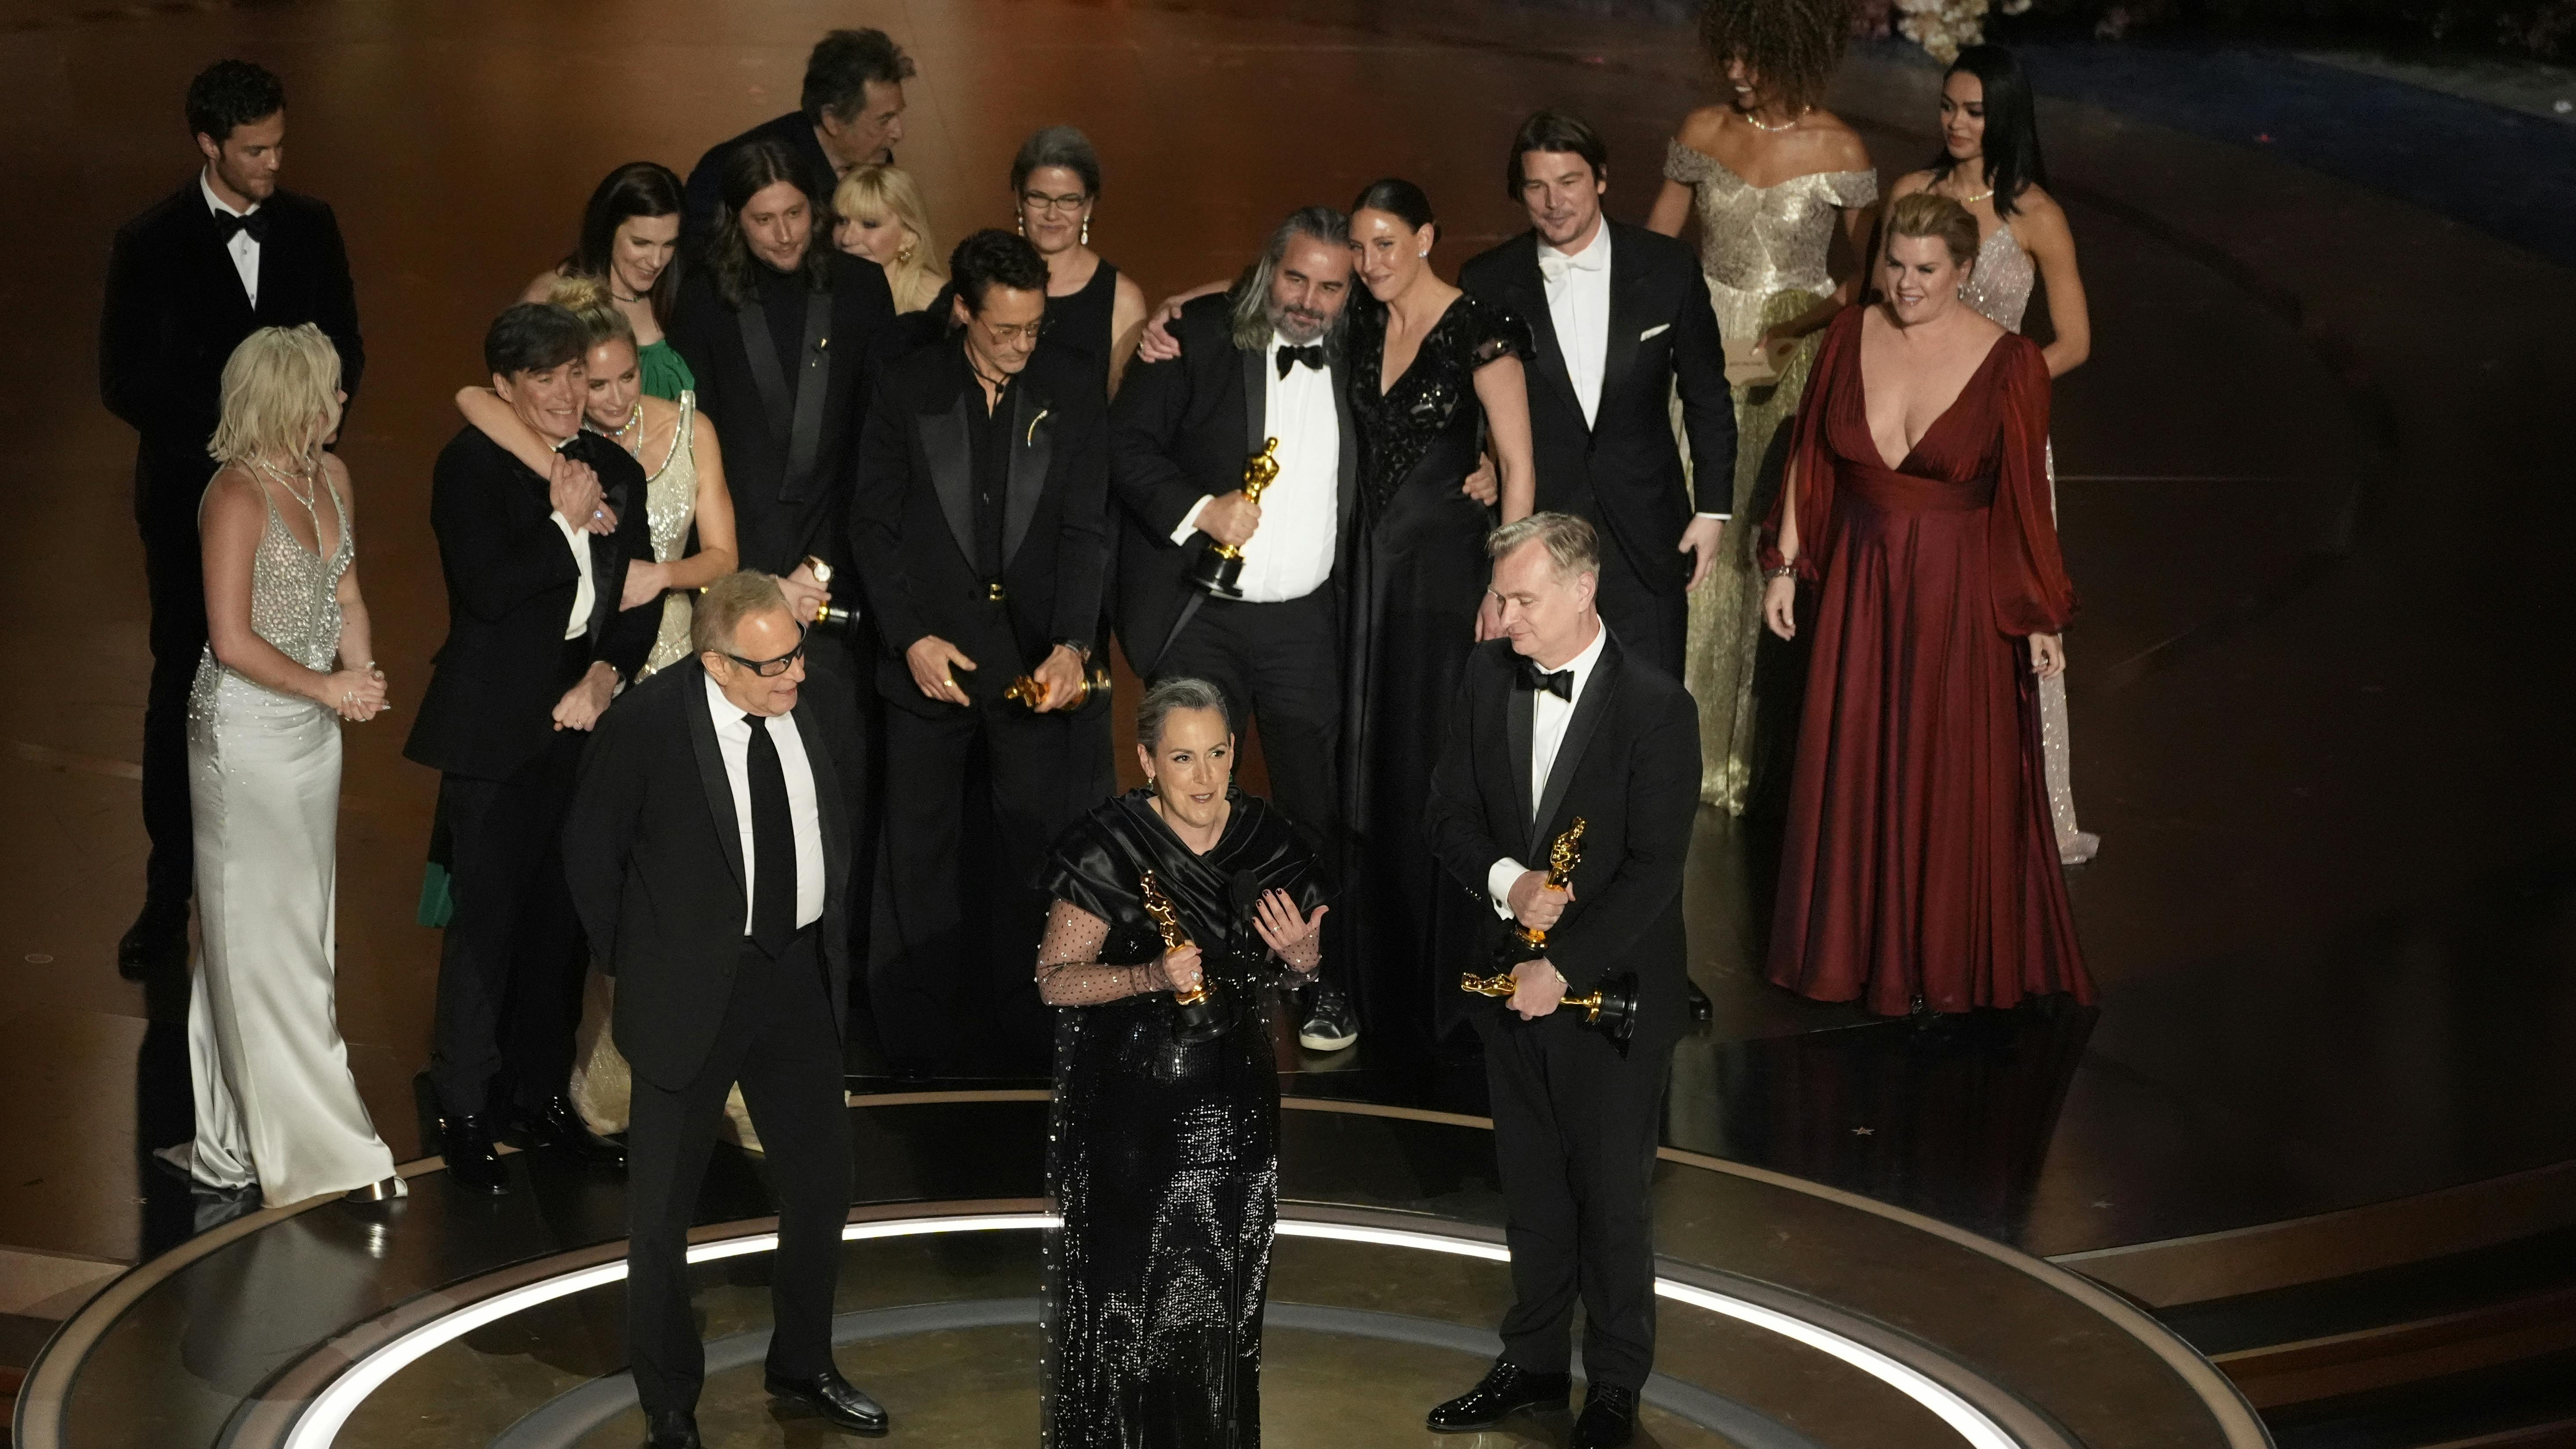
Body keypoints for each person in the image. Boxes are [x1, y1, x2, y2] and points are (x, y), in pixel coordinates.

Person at [562, 572, 884, 1449]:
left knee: (821, 1184)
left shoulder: (810, 701)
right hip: (687, 992)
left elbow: (834, 826)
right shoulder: (647, 724)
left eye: (797, 653)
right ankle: (669, 1404)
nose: (796, 674)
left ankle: (803, 1361)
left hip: (795, 981)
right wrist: (635, 964)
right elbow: (590, 852)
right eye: (773, 664)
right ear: (716, 661)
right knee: (663, 1214)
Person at [1758, 194, 2091, 1016]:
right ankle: (1850, 953)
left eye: (1925, 270)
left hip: (1957, 599)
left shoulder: (2009, 362)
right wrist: (1784, 564)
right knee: (1855, 762)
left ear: (1964, 271)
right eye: (1894, 265)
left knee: (1945, 772)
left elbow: (2023, 498)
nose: (1905, 284)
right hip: (1858, 592)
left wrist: (2038, 612)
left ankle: (1940, 960)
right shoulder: (1848, 334)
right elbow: (1812, 457)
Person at [1421, 514, 1698, 1449]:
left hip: (1611, 1001)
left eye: (1522, 600)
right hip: (1508, 986)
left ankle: (1613, 1385)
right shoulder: (1484, 674)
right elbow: (1446, 814)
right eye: (1500, 597)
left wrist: (1564, 965)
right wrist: (1510, 883)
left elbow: (1655, 871)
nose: (1503, 618)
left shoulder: (1658, 708)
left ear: (1584, 590)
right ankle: (1534, 1361)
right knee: (1532, 1190)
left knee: (1612, 1199)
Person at [457, 275, 746, 1138]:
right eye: (568, 378)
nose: (589, 395)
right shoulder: (506, 457)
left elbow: (678, 576)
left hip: (627, 692)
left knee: (607, 905)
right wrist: (562, 512)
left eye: (597, 377)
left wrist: (626, 639)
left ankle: (581, 1084)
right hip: (532, 713)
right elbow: (489, 584)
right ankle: (499, 1093)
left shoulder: (644, 453)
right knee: (522, 911)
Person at [100, 59, 364, 979]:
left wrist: (297, 451)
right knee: (187, 676)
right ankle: (168, 893)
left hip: (294, 493)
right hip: (191, 501)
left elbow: (347, 350)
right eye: (255, 150)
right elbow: (125, 381)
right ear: (208, 144)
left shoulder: (311, 226)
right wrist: (238, 447)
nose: (273, 163)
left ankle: (283, 890)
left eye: (280, 145)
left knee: (296, 660)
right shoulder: (150, 242)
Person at [1035, 677, 1329, 1449]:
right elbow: (1055, 980)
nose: (1204, 778)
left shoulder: (1267, 842)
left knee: (1221, 1308)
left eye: (1217, 754)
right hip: (1130, 1114)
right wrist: (1148, 976)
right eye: (1182, 758)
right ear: (1146, 761)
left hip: (1236, 1110)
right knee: (1126, 1307)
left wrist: (1302, 961)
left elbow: (1294, 975)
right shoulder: (1110, 846)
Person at [403, 303, 659, 1191]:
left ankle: (538, 1094)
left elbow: (637, 597)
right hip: (496, 727)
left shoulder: (614, 467)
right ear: (506, 386)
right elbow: (487, 589)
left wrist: (607, 677)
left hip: (583, 726)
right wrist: (561, 523)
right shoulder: (469, 467)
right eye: (543, 378)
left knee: (562, 920)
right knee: (487, 924)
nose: (564, 393)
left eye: (574, 374)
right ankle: (464, 1105)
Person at [850, 230, 1112, 1076]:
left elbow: (1086, 528)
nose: (1022, 344)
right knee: (918, 849)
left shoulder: (1070, 384)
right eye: (1005, 329)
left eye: (1033, 327)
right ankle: (916, 1034)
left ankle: (1029, 1020)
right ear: (963, 310)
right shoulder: (908, 383)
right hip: (929, 653)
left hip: (1030, 659)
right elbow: (873, 524)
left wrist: (1073, 644)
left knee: (1029, 847)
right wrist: (909, 637)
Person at [1107, 205, 1363, 1053]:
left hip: (1306, 624)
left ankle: (1317, 979)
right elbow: (1125, 445)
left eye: (1330, 286)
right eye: (1295, 278)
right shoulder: (1197, 336)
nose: (1309, 301)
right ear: (1267, 269)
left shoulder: (1365, 348)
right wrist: (1200, 509)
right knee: (1190, 803)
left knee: (1312, 810)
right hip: (1201, 616)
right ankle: (1189, 986)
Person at [156, 325, 399, 1208]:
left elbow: (347, 593)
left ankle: (231, 1138)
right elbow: (231, 640)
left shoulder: (333, 477)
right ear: (293, 398)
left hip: (312, 736)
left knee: (289, 931)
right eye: (330, 389)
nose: (342, 401)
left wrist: (360, 674)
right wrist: (328, 686)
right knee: (262, 942)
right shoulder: (235, 495)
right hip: (245, 738)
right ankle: (322, 1148)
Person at [1648, 0, 1877, 812]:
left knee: (1765, 535)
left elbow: (1874, 272)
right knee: (1692, 525)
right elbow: (1652, 255)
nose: (1736, 74)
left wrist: (1794, 330)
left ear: (1794, 49)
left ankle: (1749, 754)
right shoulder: (1702, 131)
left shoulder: (1839, 148)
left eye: (1754, 58)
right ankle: (1674, 744)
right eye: (1730, 57)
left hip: (1791, 362)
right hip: (1704, 351)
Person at [1883, 44, 2099, 864]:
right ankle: (1911, 786)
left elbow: (2073, 340)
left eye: (1973, 111)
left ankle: (2018, 801)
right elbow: (1879, 305)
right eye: (1947, 106)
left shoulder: (2036, 214)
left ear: (2004, 114)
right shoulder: (1912, 193)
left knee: (2006, 602)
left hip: (2000, 434)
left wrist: (1993, 387)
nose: (1956, 123)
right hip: (1912, 430)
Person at [1340, 178, 1535, 1048]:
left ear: (1426, 237)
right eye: (1359, 246)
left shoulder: (1478, 329)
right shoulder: (1359, 320)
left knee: (1432, 763)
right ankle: (1371, 973)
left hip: (1447, 579)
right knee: (1369, 768)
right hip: (1366, 576)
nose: (1369, 261)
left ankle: (1449, 979)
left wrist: (1505, 585)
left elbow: (1519, 468)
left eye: (1385, 243)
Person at [1460, 109, 1737, 682]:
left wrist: (1712, 509)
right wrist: (1478, 465)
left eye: (1569, 182)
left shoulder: (1666, 267)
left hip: (1647, 536)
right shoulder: (1486, 282)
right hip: (1540, 543)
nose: (1553, 202)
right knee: (1546, 710)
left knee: (1648, 700)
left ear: (1601, 179)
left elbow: (1707, 392)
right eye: (1536, 187)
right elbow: (1470, 409)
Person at [668, 137, 895, 828]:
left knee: (837, 767)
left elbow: (877, 445)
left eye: (795, 213)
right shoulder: (703, 300)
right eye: (764, 220)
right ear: (735, 221)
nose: (784, 233)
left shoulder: (861, 290)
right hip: (741, 566)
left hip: (836, 568)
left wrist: (817, 568)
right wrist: (758, 580)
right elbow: (699, 454)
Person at [682, 27, 913, 246]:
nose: (898, 134)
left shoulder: (875, 158)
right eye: (884, 120)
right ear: (832, 121)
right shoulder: (724, 173)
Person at [523, 162, 695, 401]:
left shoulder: (682, 293)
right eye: (641, 243)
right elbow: (517, 398)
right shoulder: (553, 295)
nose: (656, 261)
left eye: (668, 245)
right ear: (607, 231)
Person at [1010, 126, 1149, 398]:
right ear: (1019, 199)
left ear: (1088, 206)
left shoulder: (1122, 299)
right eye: (1039, 198)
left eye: (1068, 201)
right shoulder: (987, 280)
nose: (1052, 214)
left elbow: (1126, 407)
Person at [832, 163, 945, 314]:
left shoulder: (936, 303)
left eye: (869, 224)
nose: (847, 239)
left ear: (909, 237)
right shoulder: (826, 291)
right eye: (842, 221)